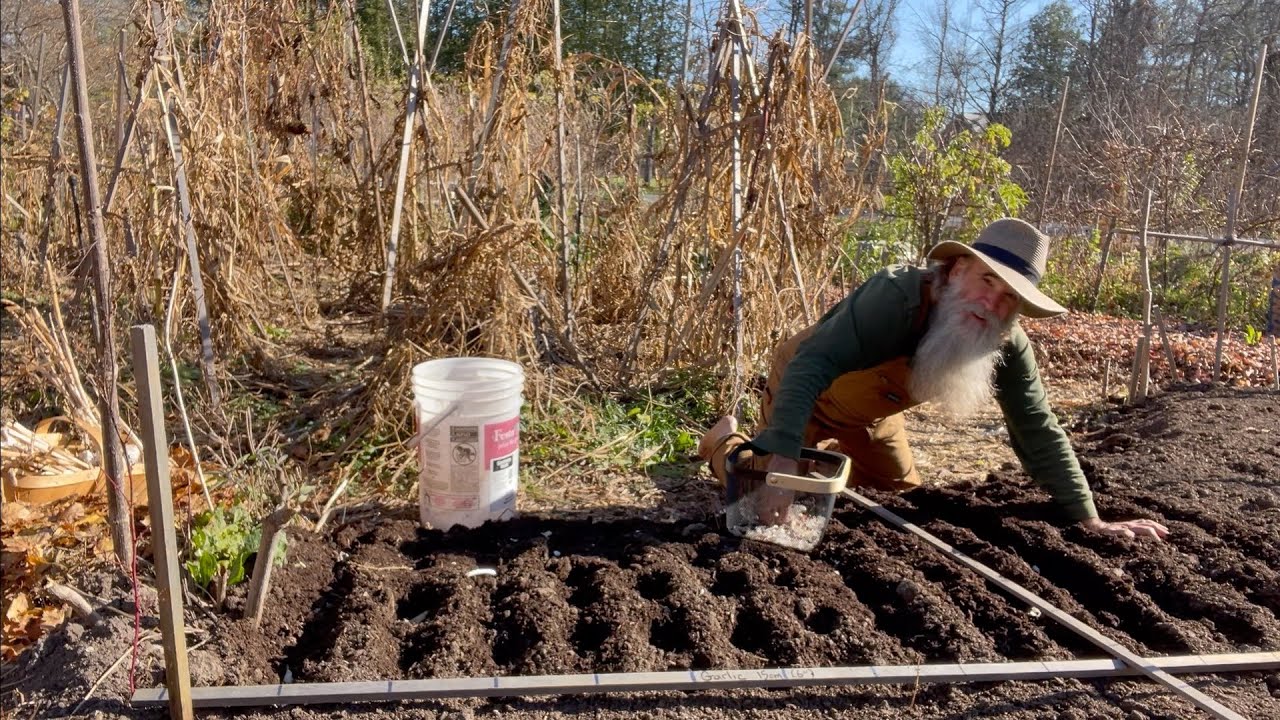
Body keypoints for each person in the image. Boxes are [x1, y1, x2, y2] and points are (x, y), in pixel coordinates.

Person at [697, 218, 1169, 540]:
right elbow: (810, 367)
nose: (992, 303)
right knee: (763, 502)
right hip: (807, 388)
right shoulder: (894, 297)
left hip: (873, 413)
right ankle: (722, 442)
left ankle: (819, 466)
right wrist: (781, 463)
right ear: (958, 269)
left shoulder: (1004, 339)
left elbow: (1037, 426)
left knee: (898, 504)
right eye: (987, 280)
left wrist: (1090, 519)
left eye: (1010, 296)